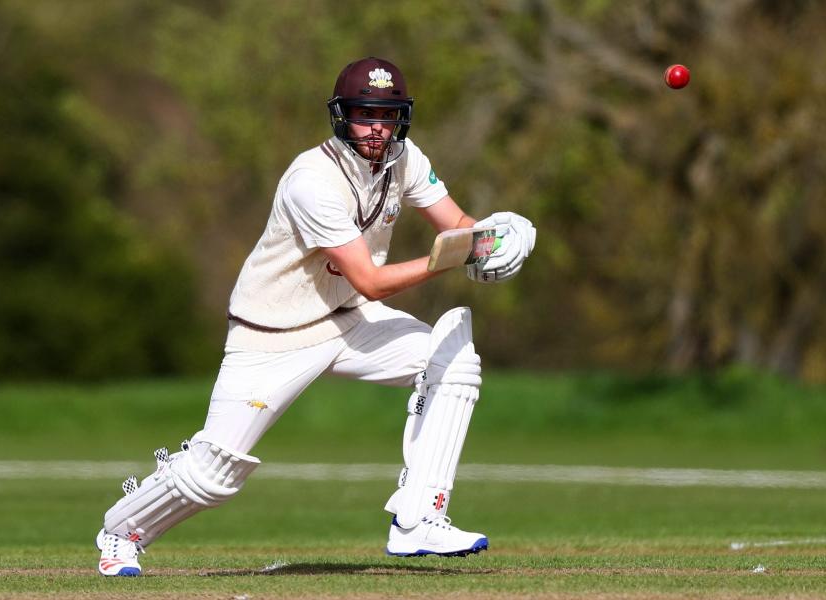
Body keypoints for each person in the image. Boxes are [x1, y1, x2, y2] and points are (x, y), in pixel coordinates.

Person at [94, 57, 536, 576]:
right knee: (214, 474)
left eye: (387, 114)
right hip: (272, 336)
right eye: (365, 114)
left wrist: (502, 233)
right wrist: (463, 254)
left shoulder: (406, 159)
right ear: (342, 116)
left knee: (454, 362)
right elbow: (369, 277)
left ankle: (419, 520)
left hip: (349, 321)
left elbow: (458, 224)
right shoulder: (310, 181)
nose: (377, 127)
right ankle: (120, 531)